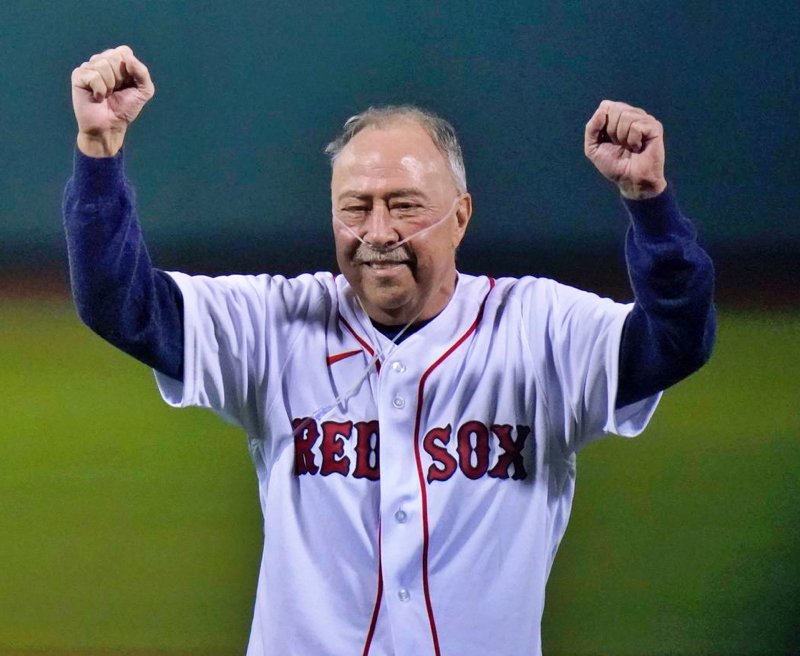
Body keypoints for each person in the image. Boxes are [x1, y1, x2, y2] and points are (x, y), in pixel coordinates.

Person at [64, 46, 715, 656]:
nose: (378, 232)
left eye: (404, 206)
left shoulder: (538, 329)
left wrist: (650, 207)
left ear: (460, 217)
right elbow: (121, 303)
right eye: (355, 208)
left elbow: (676, 340)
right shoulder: (275, 324)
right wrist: (99, 150)